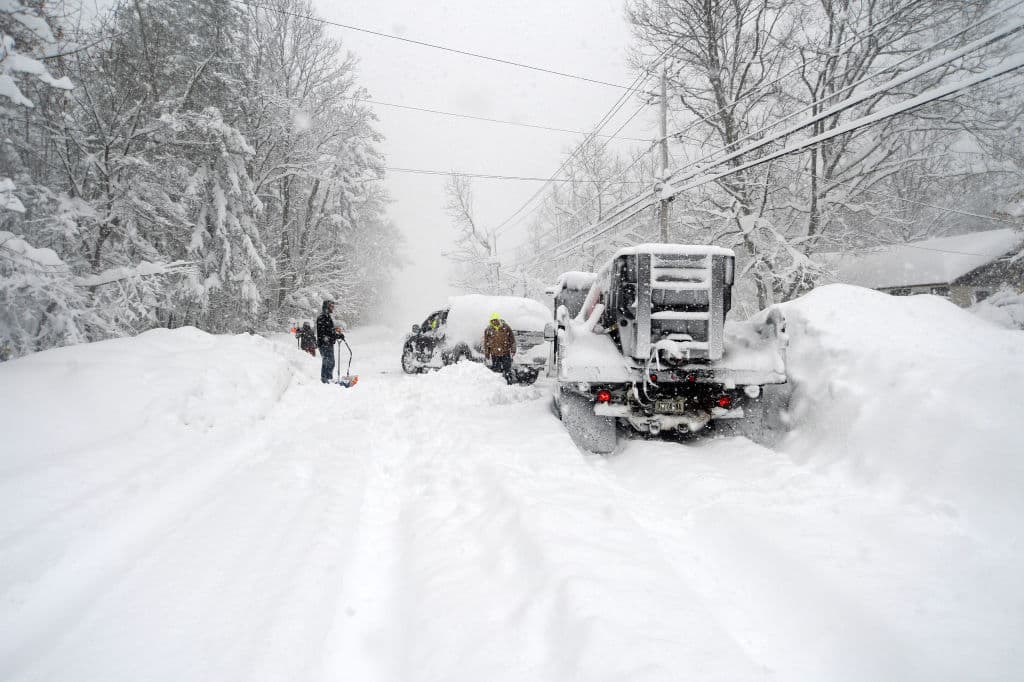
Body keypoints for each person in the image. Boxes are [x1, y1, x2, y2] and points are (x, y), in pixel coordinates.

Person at [483, 312, 517, 385]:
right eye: (492, 320)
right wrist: (487, 354)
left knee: (507, 369)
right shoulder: (488, 329)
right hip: (494, 353)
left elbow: (512, 339)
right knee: (496, 371)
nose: (494, 322)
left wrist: (513, 350)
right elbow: (486, 343)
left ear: (499, 320)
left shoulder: (506, 327)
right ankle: (498, 385)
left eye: (495, 320)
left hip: (505, 353)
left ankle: (509, 383)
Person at [316, 300, 345, 383]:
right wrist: (335, 335)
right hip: (324, 344)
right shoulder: (322, 317)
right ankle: (325, 379)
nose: (333, 308)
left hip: (328, 343)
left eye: (333, 306)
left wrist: (337, 334)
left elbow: (330, 331)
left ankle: (329, 379)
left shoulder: (327, 317)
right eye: (331, 306)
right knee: (327, 361)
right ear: (327, 307)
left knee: (331, 362)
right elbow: (325, 332)